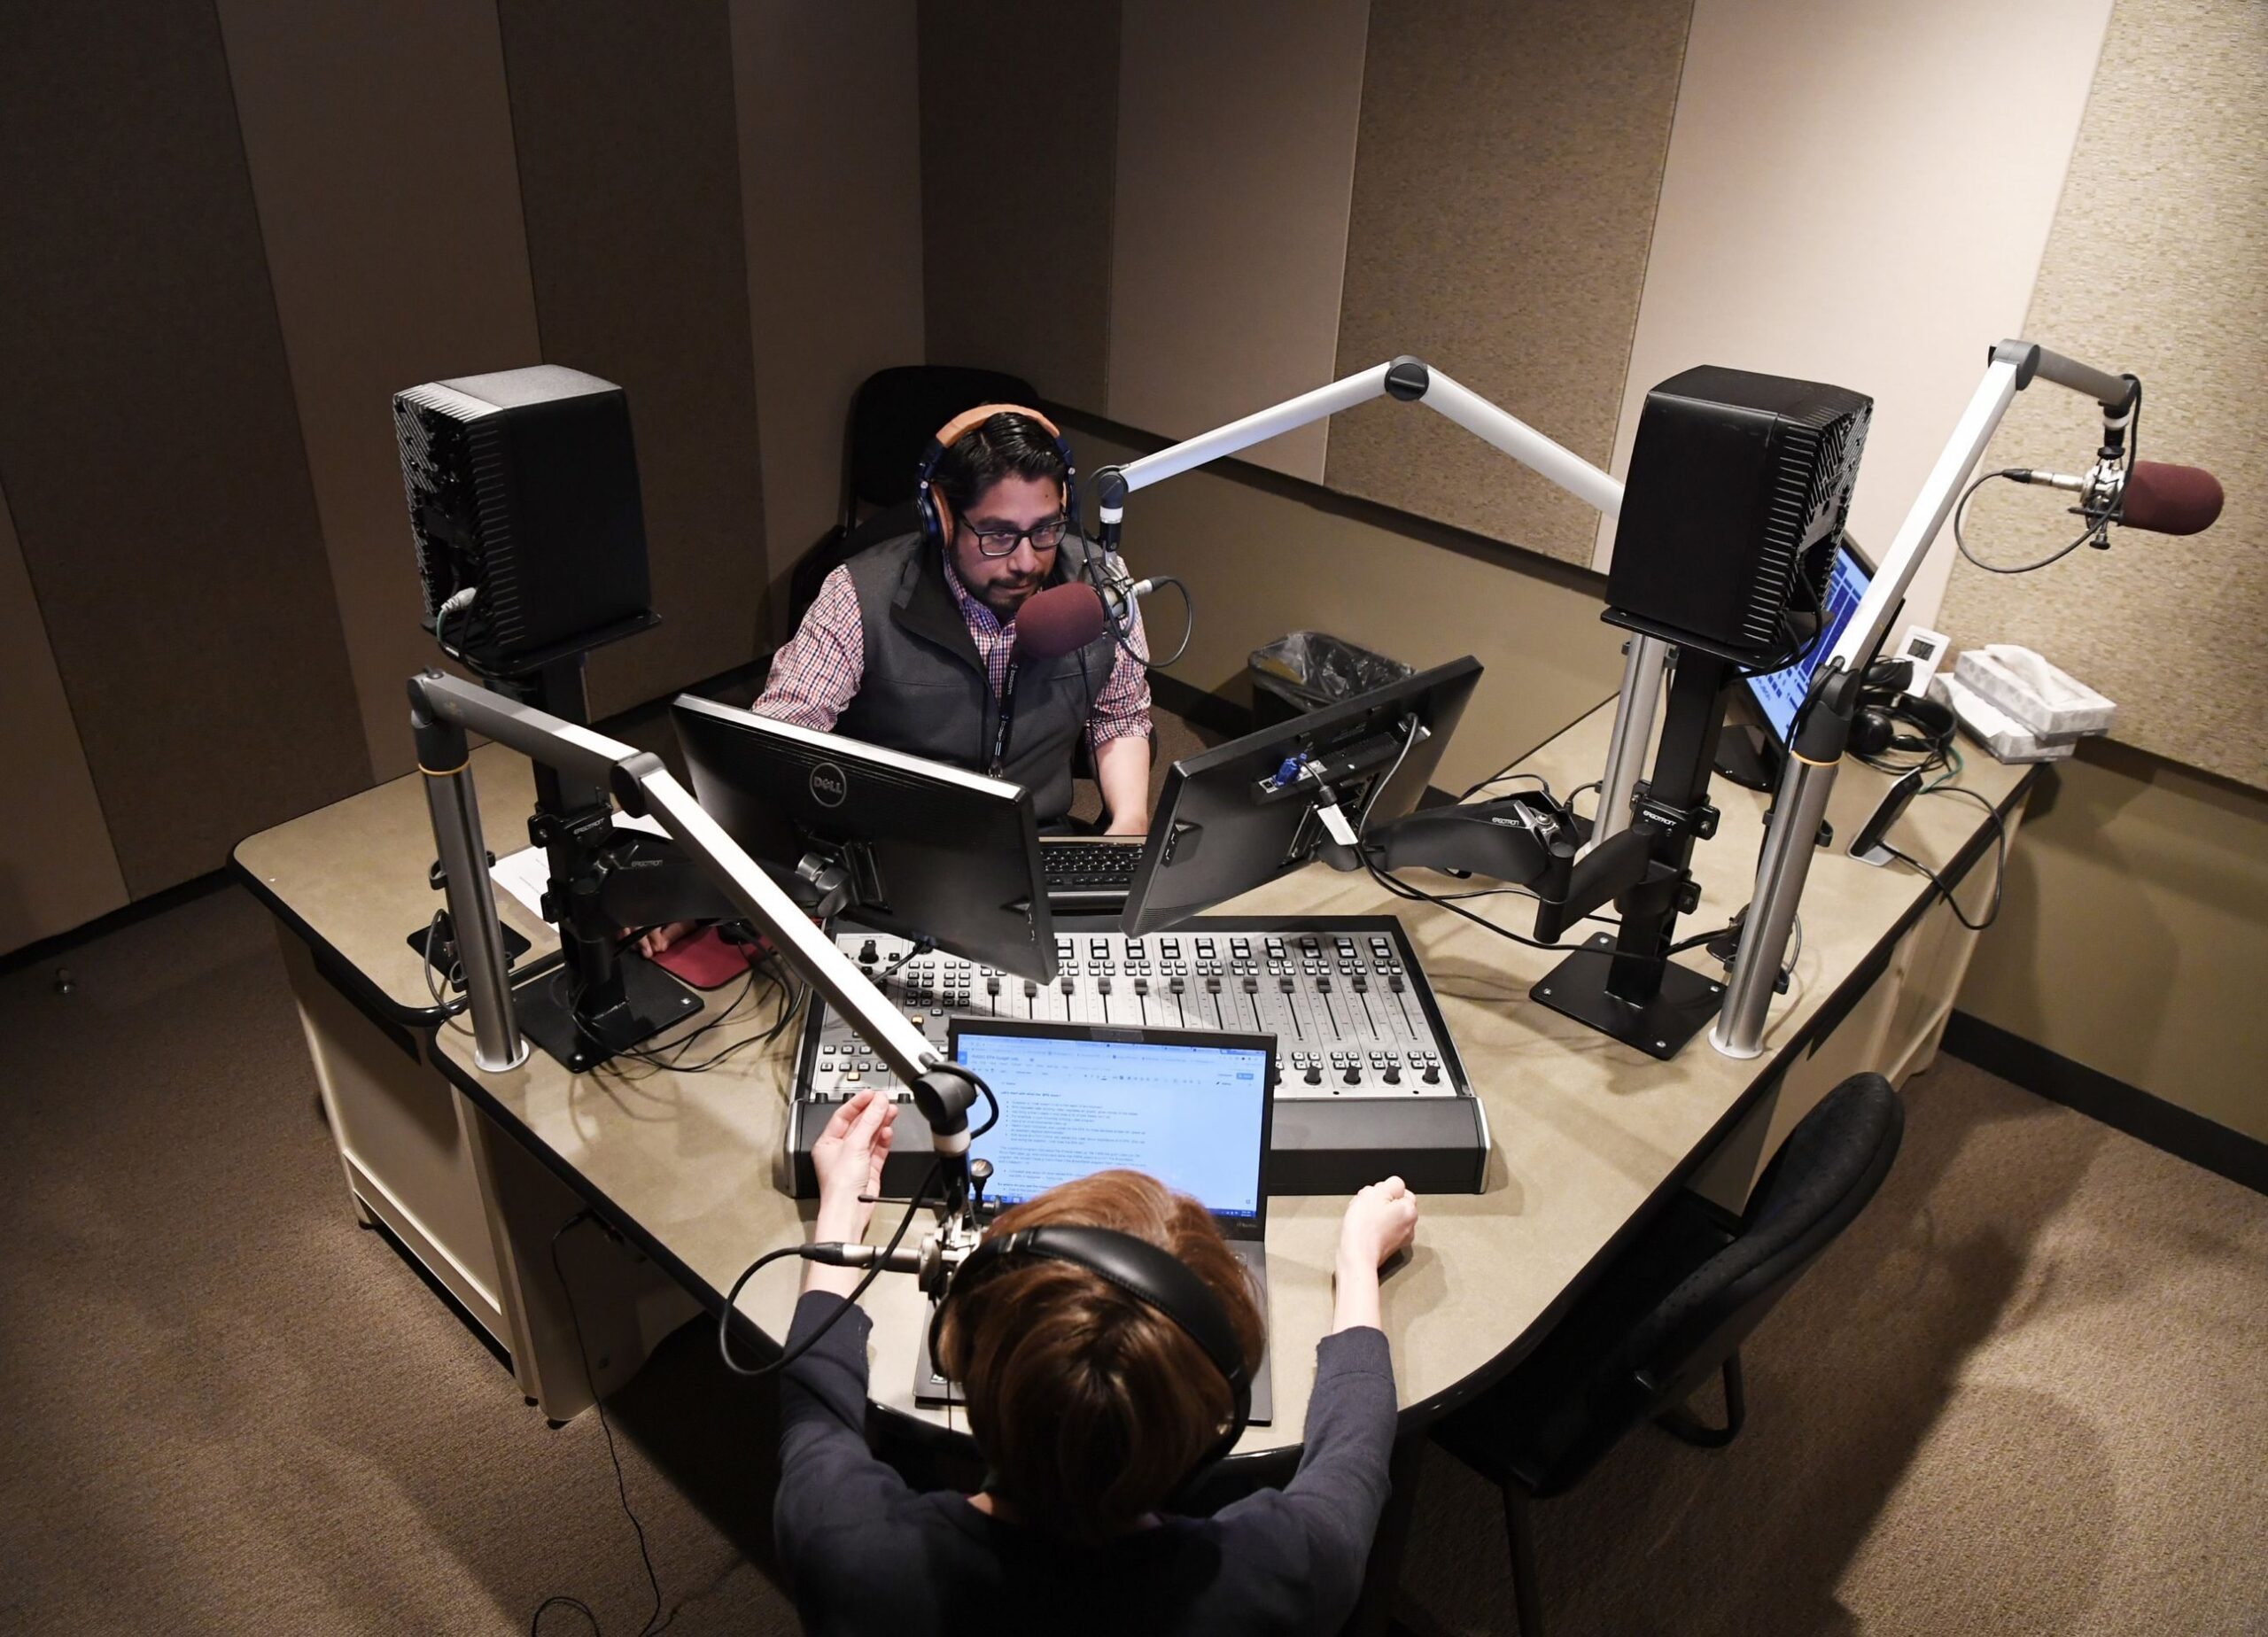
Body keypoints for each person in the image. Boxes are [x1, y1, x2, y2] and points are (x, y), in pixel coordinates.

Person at [775, 1088, 1418, 1636]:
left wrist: (839, 1213)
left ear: (957, 1347)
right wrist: (1358, 1262)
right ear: (1214, 1424)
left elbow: (815, 1412)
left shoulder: (845, 1553)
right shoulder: (1289, 1576)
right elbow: (1353, 1456)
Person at [754, 404, 1153, 834]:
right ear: (943, 519)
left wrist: (1130, 820)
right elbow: (781, 736)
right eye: (998, 534)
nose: (1025, 561)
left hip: (1036, 842)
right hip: (901, 848)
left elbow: (1120, 716)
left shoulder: (1100, 586)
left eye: (1045, 530)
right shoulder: (858, 595)